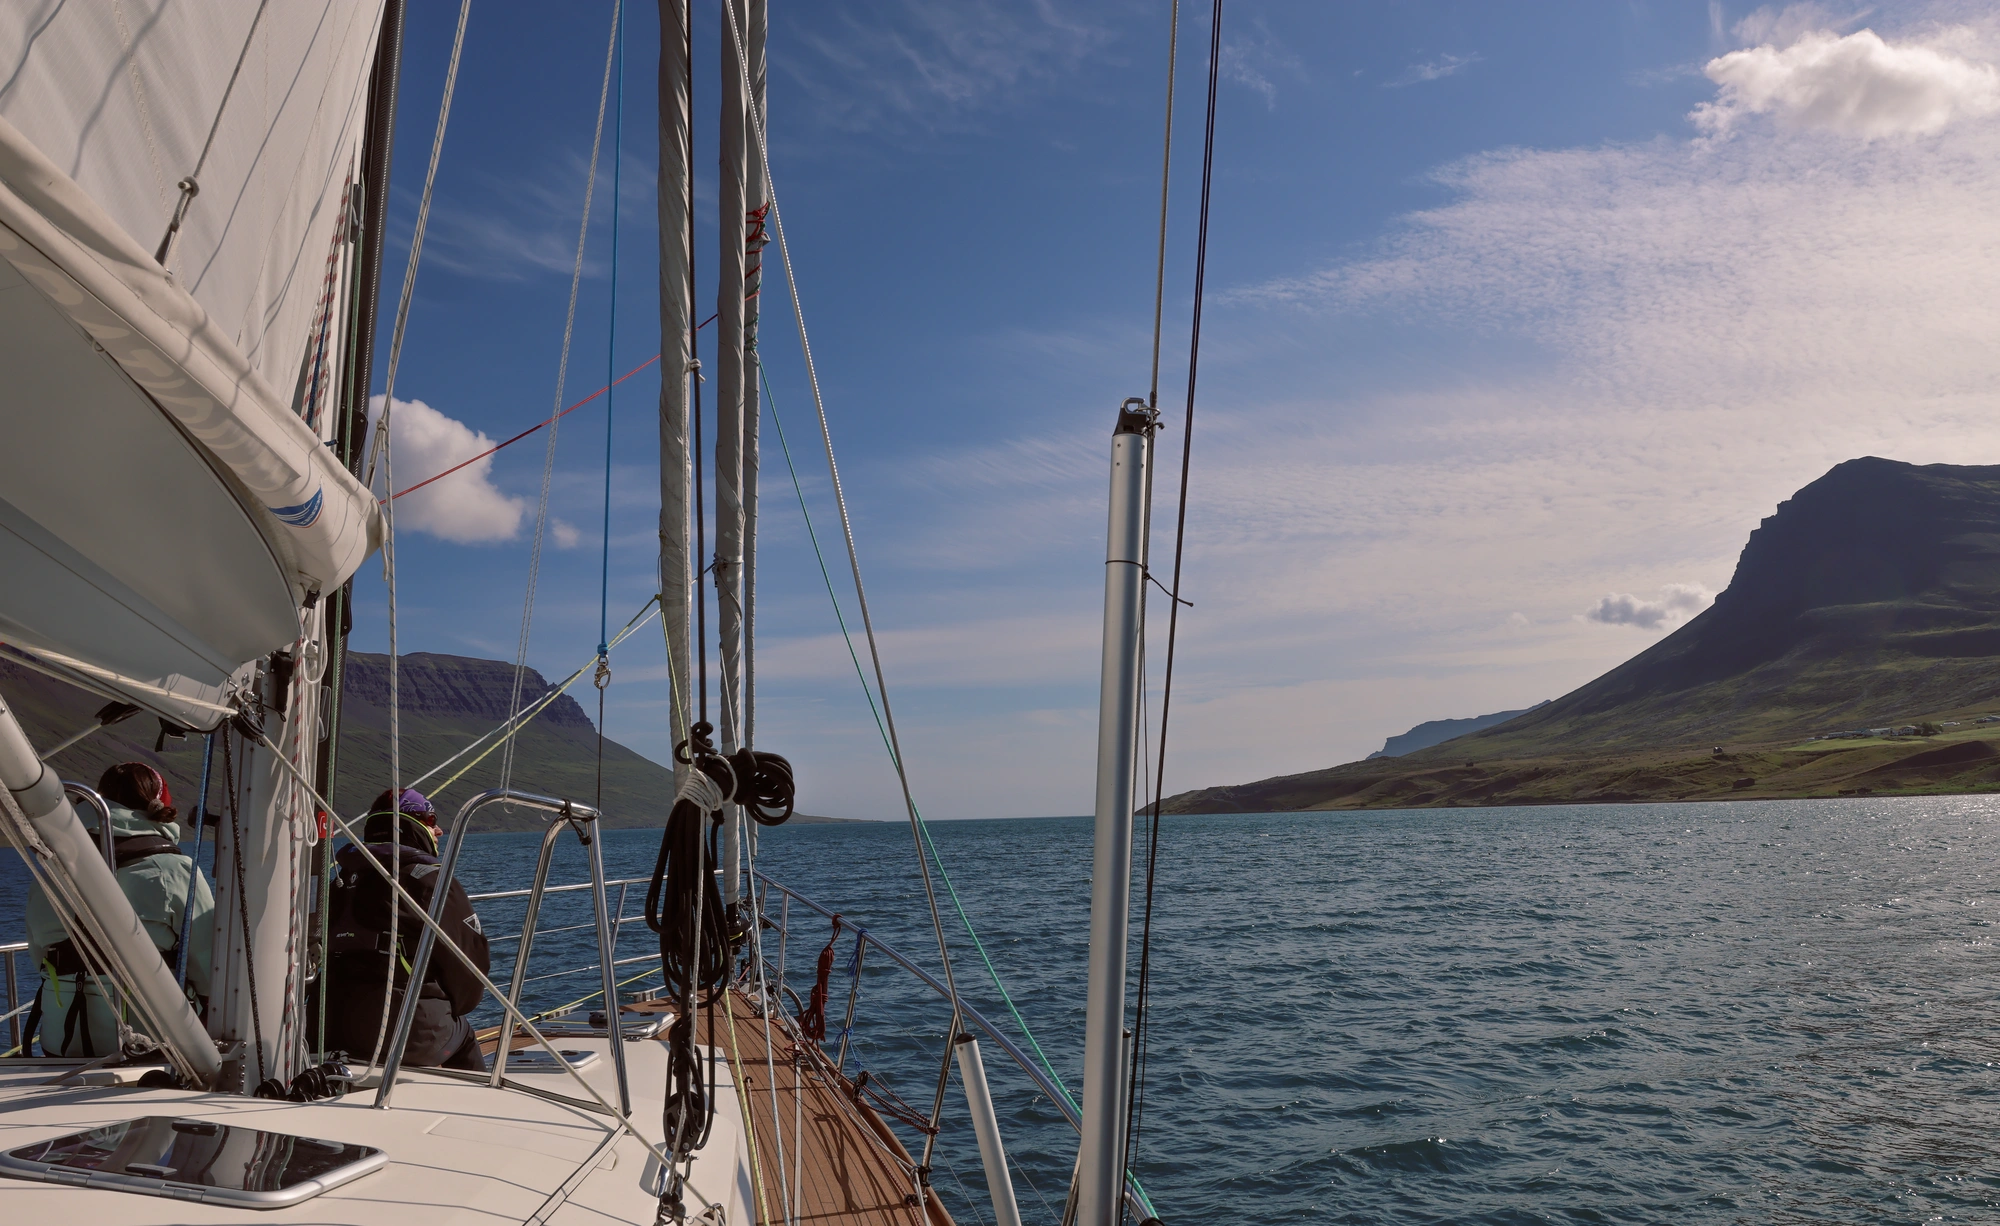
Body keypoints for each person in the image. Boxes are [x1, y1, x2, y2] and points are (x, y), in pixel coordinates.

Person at [23, 762, 213, 1057]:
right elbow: (208, 965)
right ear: (158, 808)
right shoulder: (176, 871)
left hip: (61, 1043)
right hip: (150, 1045)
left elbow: (40, 957)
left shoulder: (51, 871)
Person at [318, 788, 489, 1070]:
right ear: (414, 825)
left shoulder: (339, 880)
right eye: (432, 819)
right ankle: (477, 1106)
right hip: (409, 1034)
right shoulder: (430, 881)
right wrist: (456, 1010)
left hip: (331, 1026)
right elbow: (470, 968)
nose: (439, 830)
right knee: (464, 1034)